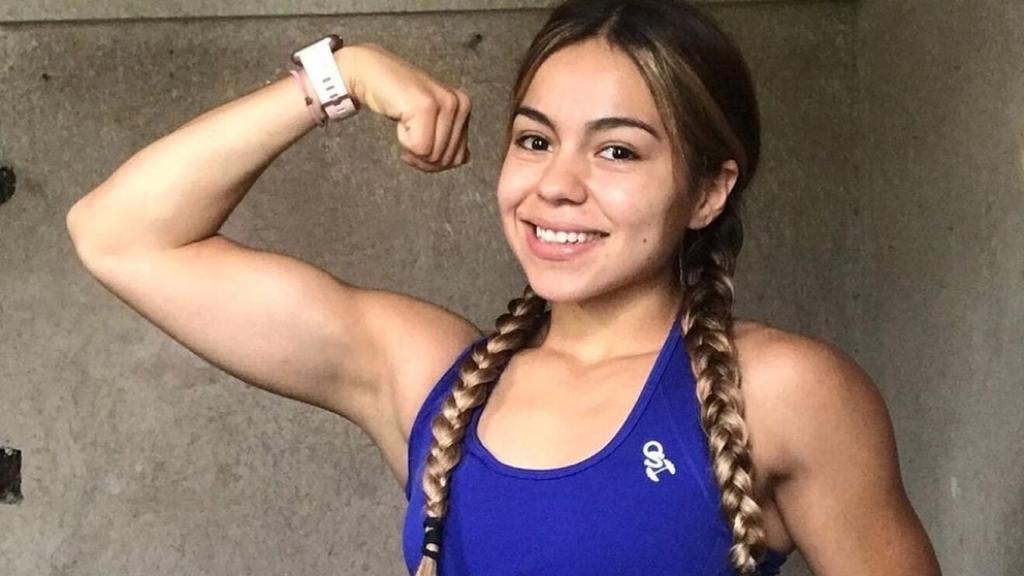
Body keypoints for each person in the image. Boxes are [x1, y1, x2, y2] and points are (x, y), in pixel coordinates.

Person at [66, 0, 942, 574]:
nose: (556, 184)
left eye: (617, 150)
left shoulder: (784, 392)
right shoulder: (432, 381)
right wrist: (338, 75)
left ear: (709, 191)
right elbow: (120, 235)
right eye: (534, 140)